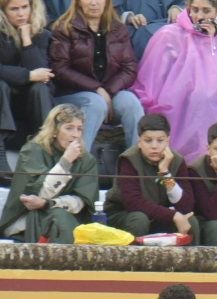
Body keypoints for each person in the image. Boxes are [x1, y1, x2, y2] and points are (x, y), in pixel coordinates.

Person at [130, 0, 217, 163]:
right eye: (194, 10)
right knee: (202, 99)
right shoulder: (169, 34)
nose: (199, 16)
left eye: (206, 11)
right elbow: (153, 74)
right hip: (180, 93)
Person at [48, 0, 143, 151]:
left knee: (130, 102)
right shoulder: (64, 27)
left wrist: (109, 91)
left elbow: (130, 67)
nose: (94, 3)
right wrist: (97, 88)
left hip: (109, 92)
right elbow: (60, 69)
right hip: (72, 94)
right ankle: (79, 161)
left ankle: (138, 162)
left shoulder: (118, 28)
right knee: (96, 103)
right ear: (78, 2)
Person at [0, 102, 96, 242]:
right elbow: (38, 194)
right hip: (26, 219)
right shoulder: (32, 150)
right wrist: (65, 162)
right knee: (57, 217)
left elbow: (82, 202)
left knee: (60, 216)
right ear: (55, 130)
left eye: (79, 129)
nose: (75, 135)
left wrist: (50, 204)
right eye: (69, 128)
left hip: (67, 218)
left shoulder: (86, 159)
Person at [104, 113, 196, 238]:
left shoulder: (177, 161)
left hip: (159, 215)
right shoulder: (129, 160)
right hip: (125, 214)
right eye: (148, 140)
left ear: (168, 141)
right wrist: (173, 215)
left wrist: (165, 173)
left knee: (190, 221)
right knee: (139, 219)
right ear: (139, 141)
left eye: (160, 140)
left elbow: (186, 205)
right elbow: (133, 202)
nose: (154, 146)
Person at [1, 0, 57, 157]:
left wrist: (26, 40)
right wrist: (28, 76)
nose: (21, 13)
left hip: (31, 105)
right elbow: (34, 73)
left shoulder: (42, 34)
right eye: (14, 9)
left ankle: (46, 148)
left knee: (41, 88)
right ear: (3, 12)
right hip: (5, 106)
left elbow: (44, 75)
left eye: (25, 7)